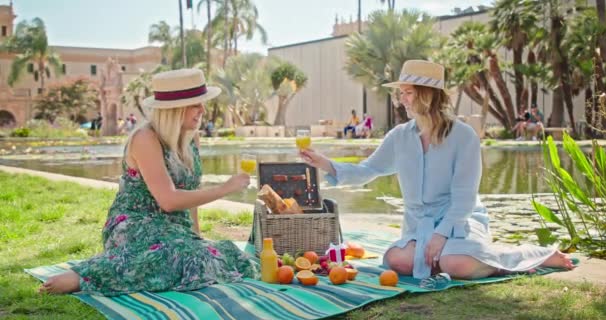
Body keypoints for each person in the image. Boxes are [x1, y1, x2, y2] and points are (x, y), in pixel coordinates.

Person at [300, 60, 573, 280]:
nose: (402, 100)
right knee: (395, 260)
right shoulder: (399, 137)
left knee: (456, 264)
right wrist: (327, 164)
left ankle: (520, 256)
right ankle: (452, 259)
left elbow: (465, 198)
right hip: (419, 225)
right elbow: (368, 169)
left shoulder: (464, 137)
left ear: (427, 95)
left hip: (459, 221)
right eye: (401, 93)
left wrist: (441, 235)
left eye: (408, 93)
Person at [40, 69, 260, 295]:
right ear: (175, 109)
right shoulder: (145, 138)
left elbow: (189, 195)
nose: (203, 110)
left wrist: (196, 236)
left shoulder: (191, 137)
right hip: (136, 223)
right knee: (171, 257)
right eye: (196, 104)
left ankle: (146, 257)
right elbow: (169, 200)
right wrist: (224, 189)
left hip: (174, 228)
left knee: (224, 254)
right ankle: (83, 276)